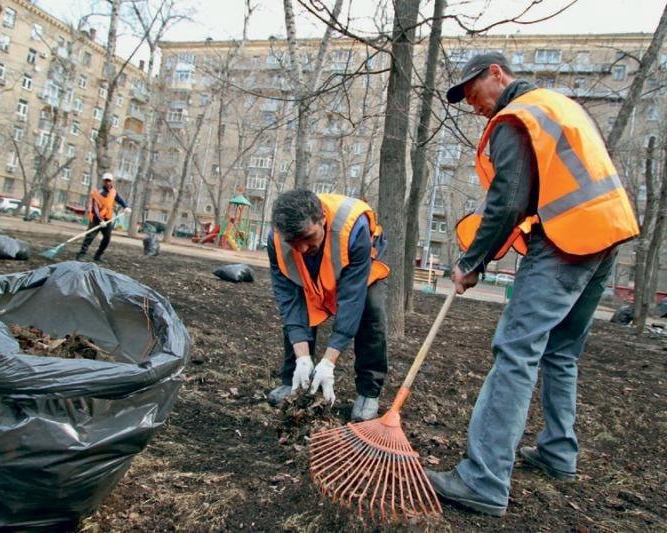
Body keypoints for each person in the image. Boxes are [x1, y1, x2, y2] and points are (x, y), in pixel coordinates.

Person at [424, 52, 639, 517]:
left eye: (473, 93)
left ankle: (482, 479)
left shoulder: (516, 118)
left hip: (568, 240)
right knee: (560, 351)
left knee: (516, 350)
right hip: (608, 232)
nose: (472, 105)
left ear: (496, 75)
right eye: (464, 100)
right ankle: (558, 454)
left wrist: (471, 261)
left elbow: (509, 200)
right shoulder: (556, 105)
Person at [267, 189, 390, 421]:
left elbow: (351, 301)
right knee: (298, 308)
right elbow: (290, 302)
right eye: (293, 242)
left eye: (307, 237)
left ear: (322, 219)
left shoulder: (354, 228)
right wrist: (302, 358)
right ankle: (293, 380)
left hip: (361, 260)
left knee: (370, 310)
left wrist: (328, 363)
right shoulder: (277, 240)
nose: (302, 249)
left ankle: (368, 392)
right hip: (314, 270)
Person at [76, 172, 130, 262]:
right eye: (106, 181)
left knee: (107, 238)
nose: (108, 182)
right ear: (103, 181)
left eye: (109, 181)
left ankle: (98, 255)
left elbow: (120, 199)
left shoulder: (113, 192)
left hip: (107, 219)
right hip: (96, 219)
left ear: (112, 182)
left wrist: (126, 206)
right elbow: (95, 208)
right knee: (90, 237)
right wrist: (100, 220)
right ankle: (81, 255)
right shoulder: (98, 192)